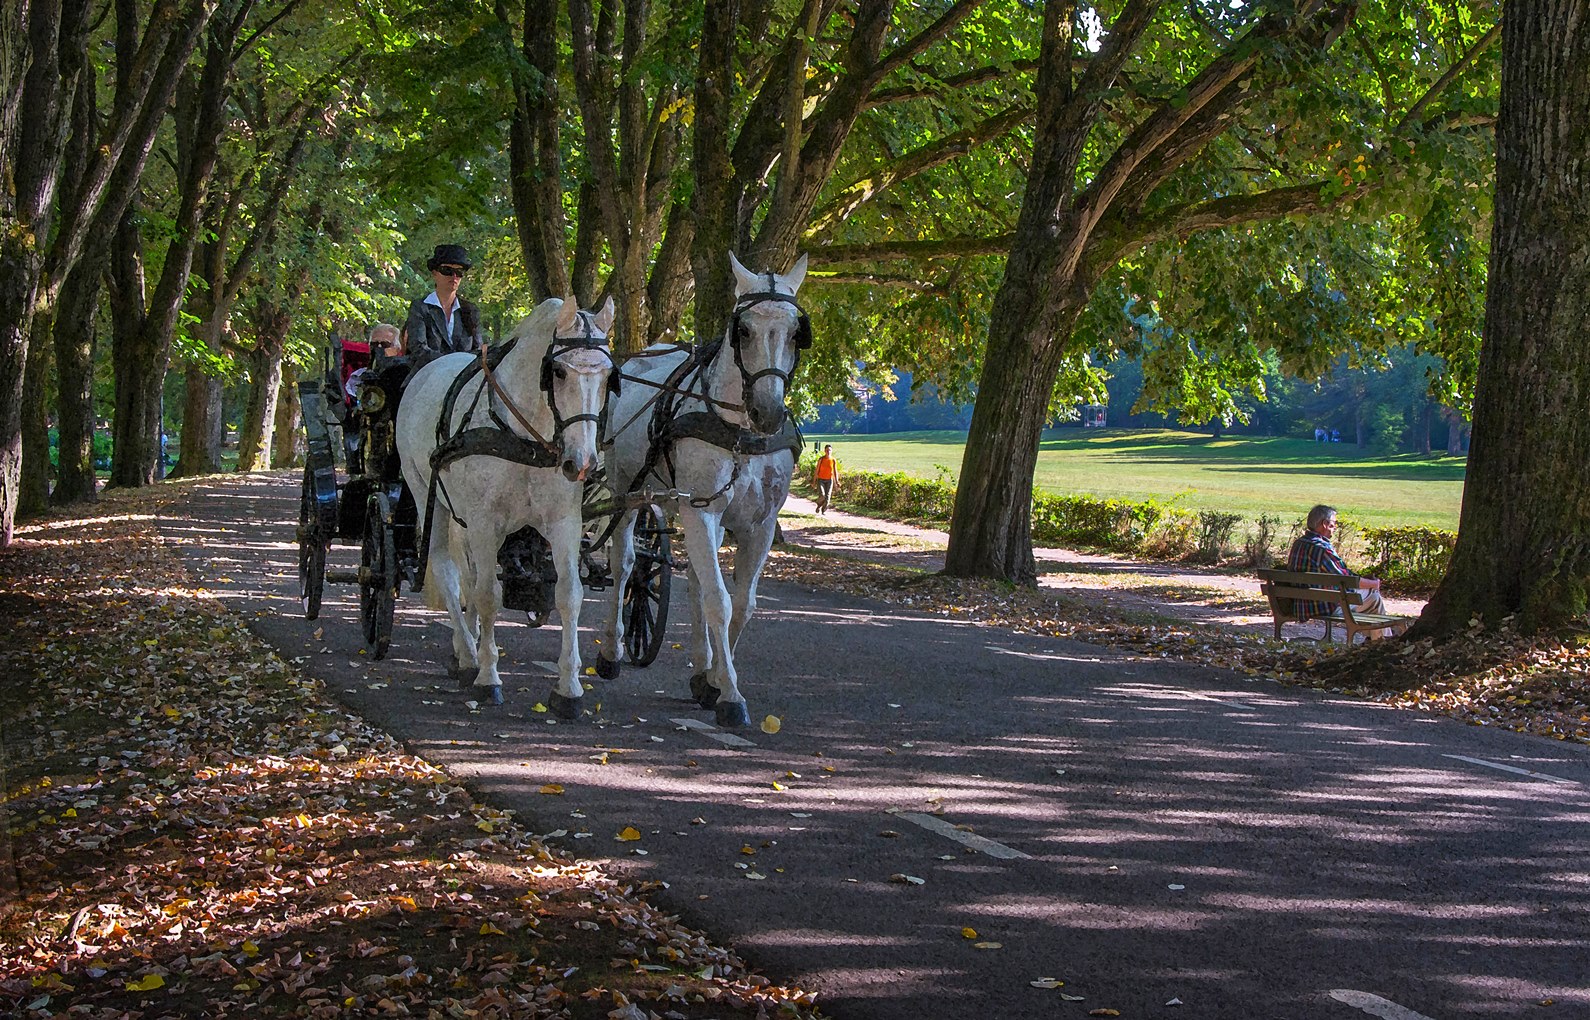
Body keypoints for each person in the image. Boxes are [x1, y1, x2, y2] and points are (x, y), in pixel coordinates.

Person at [1287, 504, 1390, 639]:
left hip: (1302, 604)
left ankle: (1374, 640)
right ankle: (1381, 641)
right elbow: (1346, 580)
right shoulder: (1322, 548)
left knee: (1370, 598)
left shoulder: (1298, 543)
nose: (1335, 527)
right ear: (1325, 524)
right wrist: (1373, 584)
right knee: (1373, 596)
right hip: (1322, 606)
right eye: (1334, 523)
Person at [402, 243, 482, 368]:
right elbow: (418, 349)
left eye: (459, 272)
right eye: (447, 271)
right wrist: (451, 362)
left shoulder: (471, 310)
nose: (454, 276)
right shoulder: (420, 308)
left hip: (463, 377)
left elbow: (478, 351)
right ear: (435, 273)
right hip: (427, 374)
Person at [813, 444, 839, 514]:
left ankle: (823, 510)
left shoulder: (833, 460)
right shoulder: (821, 459)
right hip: (821, 480)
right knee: (822, 495)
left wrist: (837, 481)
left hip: (829, 480)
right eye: (827, 450)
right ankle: (818, 505)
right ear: (824, 451)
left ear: (832, 451)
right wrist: (814, 482)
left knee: (828, 497)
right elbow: (817, 470)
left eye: (830, 450)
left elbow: (835, 471)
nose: (828, 452)